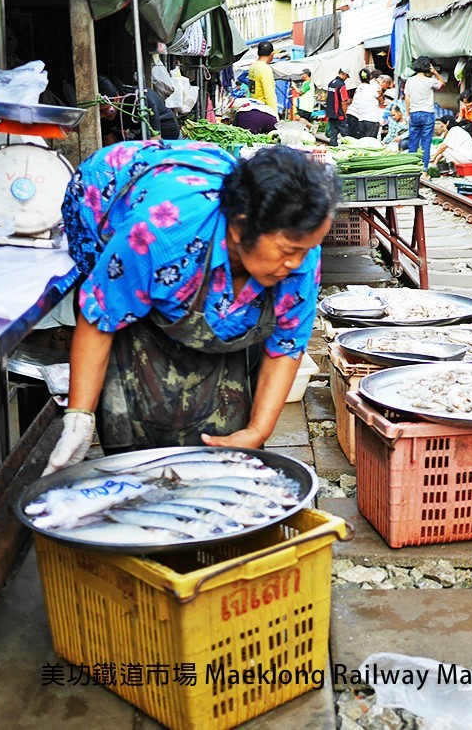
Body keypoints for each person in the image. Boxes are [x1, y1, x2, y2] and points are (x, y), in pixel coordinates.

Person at [44, 142, 338, 475]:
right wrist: (79, 418)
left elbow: (287, 344)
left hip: (190, 238)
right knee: (136, 370)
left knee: (230, 419)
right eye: (289, 250)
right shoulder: (159, 232)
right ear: (240, 227)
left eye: (306, 249)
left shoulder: (300, 252)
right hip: (110, 201)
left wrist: (257, 430)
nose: (297, 262)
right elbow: (101, 316)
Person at [98, 76, 181, 143]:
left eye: (102, 110)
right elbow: (110, 145)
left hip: (167, 141)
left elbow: (155, 142)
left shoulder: (142, 101)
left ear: (116, 99)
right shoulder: (105, 114)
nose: (101, 116)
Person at [405, 56, 444, 171]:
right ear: (427, 67)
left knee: (413, 143)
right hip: (427, 114)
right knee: (426, 144)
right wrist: (435, 72)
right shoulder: (430, 81)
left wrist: (408, 114)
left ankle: (411, 168)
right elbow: (442, 84)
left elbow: (407, 99)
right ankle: (424, 169)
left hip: (414, 114)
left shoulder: (409, 81)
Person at [346, 68, 385, 139]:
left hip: (361, 119)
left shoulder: (359, 87)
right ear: (370, 77)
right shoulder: (373, 87)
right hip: (372, 119)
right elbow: (381, 101)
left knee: (361, 141)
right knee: (370, 142)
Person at [248, 41, 278, 111]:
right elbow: (269, 95)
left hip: (253, 107)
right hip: (263, 109)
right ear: (272, 54)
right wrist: (275, 115)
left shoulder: (253, 67)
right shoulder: (265, 69)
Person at [326, 67, 351, 146]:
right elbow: (343, 102)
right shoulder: (341, 85)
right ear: (344, 74)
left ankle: (333, 149)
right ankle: (347, 149)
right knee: (346, 135)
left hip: (331, 114)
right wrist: (344, 114)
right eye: (346, 76)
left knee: (333, 135)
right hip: (339, 114)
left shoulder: (331, 83)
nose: (346, 78)